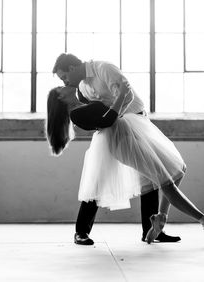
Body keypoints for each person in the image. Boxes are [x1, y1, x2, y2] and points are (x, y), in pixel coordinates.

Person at [46, 83, 204, 247]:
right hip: (114, 140)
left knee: (151, 178)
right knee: (97, 186)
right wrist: (122, 96)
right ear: (60, 98)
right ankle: (81, 232)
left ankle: (154, 226)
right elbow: (107, 120)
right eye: (62, 87)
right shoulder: (76, 113)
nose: (67, 85)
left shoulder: (85, 99)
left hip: (126, 133)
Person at [52, 53, 182, 245]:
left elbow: (126, 94)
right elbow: (99, 111)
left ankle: (152, 229)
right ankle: (81, 232)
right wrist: (109, 121)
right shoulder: (82, 87)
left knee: (150, 175)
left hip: (136, 123)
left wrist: (113, 117)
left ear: (72, 68)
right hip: (113, 128)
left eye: (64, 76)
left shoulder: (104, 68)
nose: (65, 81)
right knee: (98, 178)